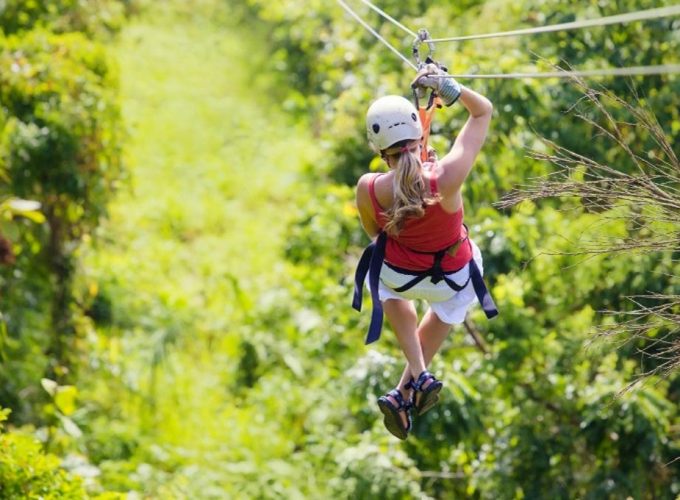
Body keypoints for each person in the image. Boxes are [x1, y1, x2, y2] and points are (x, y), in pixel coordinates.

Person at [353, 64, 496, 440]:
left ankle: (415, 379)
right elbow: (483, 111)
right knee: (451, 300)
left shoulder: (368, 188)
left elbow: (375, 233)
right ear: (419, 136)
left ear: (380, 151)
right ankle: (410, 384)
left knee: (380, 271)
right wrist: (451, 89)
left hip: (401, 275)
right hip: (452, 276)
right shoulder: (446, 177)